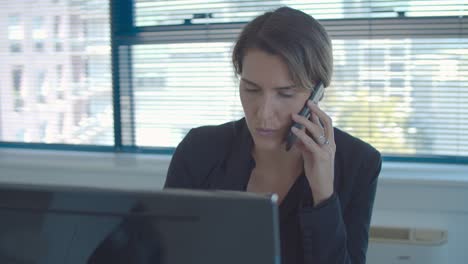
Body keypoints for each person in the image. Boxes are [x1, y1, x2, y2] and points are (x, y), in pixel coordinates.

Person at [164, 6, 382, 264]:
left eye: (286, 94)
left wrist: (323, 193)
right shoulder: (200, 149)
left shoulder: (359, 163)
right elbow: (163, 251)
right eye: (251, 89)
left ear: (317, 92)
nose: (264, 114)